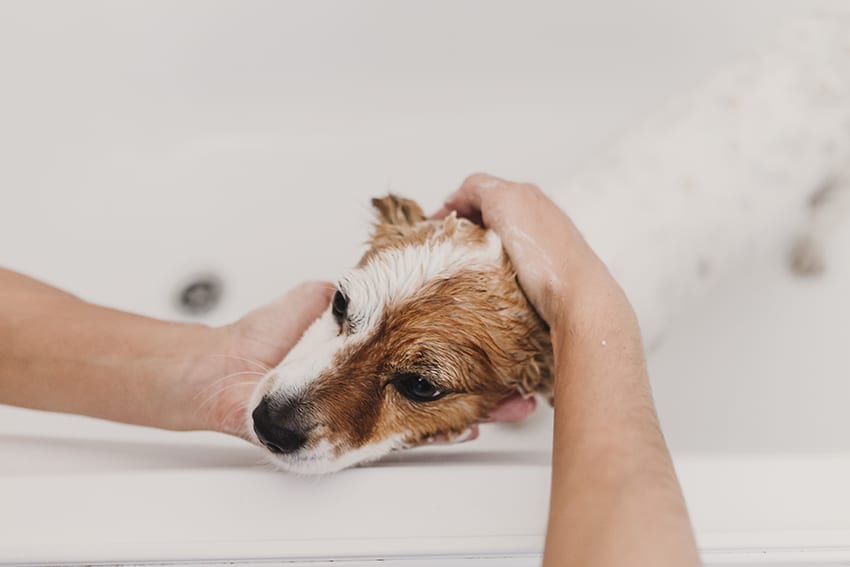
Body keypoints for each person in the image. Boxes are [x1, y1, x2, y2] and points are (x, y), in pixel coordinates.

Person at [0, 173, 700, 566]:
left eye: (418, 382)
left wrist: (587, 324)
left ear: (540, 384)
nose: (289, 410)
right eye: (344, 307)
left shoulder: (546, 356)